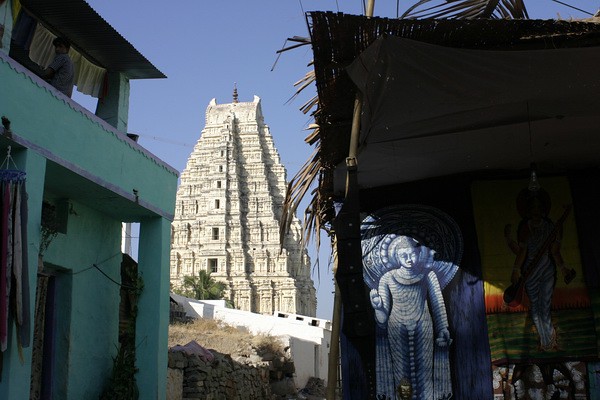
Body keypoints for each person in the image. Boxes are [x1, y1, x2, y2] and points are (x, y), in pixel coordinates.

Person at [370, 235, 454, 400]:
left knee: (425, 370)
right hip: (396, 329)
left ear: (419, 254)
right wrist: (378, 306)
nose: (409, 259)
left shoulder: (428, 275)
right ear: (396, 257)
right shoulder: (387, 279)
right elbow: (382, 319)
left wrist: (443, 328)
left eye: (412, 254)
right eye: (404, 255)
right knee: (401, 373)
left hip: (423, 326)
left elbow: (437, 304)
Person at [506, 189, 575, 351]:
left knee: (545, 304)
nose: (536, 210)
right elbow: (521, 251)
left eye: (539, 207)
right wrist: (516, 269)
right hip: (530, 272)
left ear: (543, 210)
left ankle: (550, 340)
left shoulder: (549, 226)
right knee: (535, 306)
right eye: (533, 207)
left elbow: (554, 251)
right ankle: (544, 341)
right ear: (528, 211)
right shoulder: (524, 228)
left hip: (547, 270)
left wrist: (563, 268)